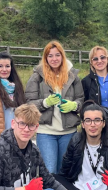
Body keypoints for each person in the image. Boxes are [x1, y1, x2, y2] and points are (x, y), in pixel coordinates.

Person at [25, 41, 85, 174]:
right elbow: (28, 104)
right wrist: (45, 103)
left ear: (62, 56)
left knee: (64, 170)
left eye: (57, 55)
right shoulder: (37, 77)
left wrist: (74, 105)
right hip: (46, 132)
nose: (54, 59)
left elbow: (81, 100)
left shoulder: (73, 76)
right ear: (45, 58)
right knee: (50, 171)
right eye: (50, 56)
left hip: (68, 132)